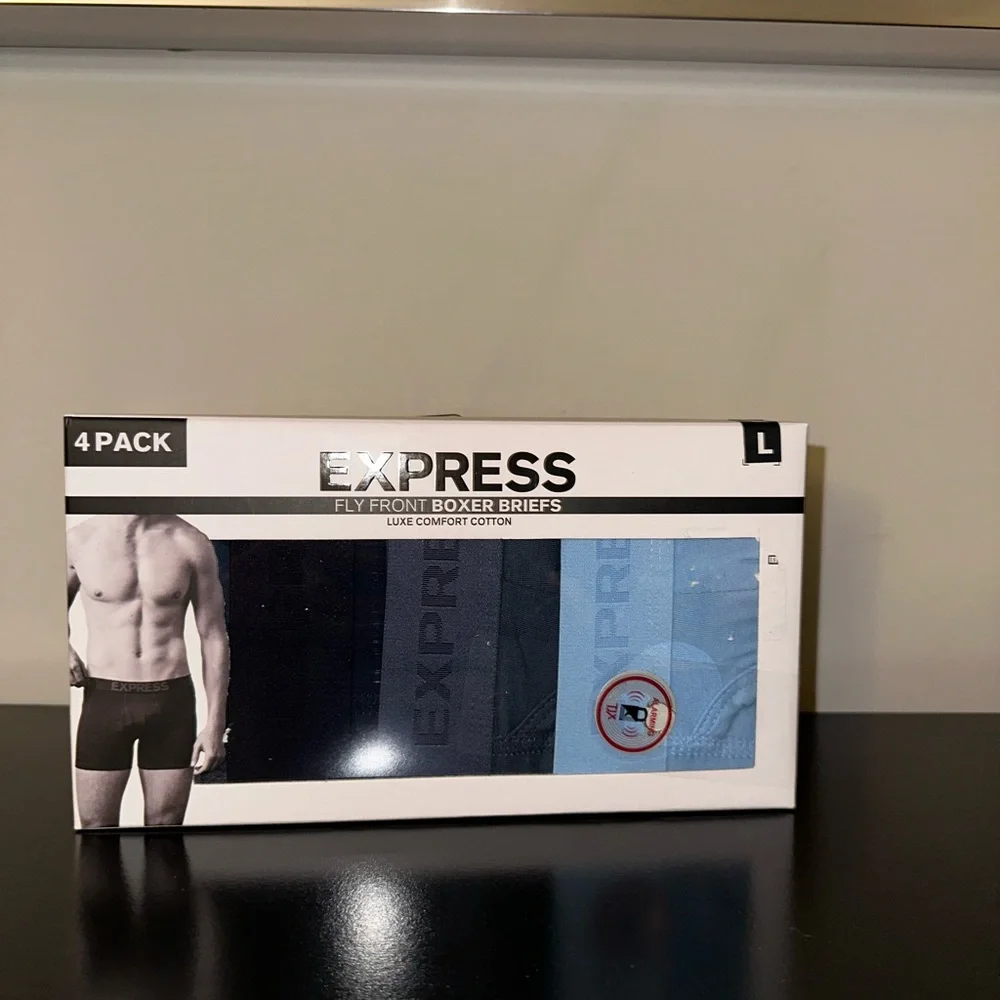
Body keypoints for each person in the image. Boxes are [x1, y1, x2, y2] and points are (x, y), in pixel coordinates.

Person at [67, 515, 229, 828]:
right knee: (96, 830)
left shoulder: (190, 541)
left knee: (166, 832)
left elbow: (213, 635)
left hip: (171, 702)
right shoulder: (78, 540)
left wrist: (215, 724)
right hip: (104, 702)